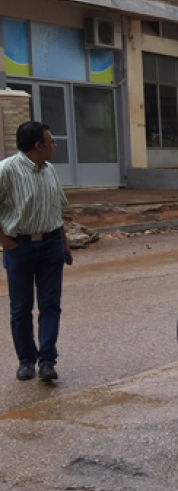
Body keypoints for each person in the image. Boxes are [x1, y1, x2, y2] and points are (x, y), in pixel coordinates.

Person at [0, 121, 72, 381]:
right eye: (52, 141)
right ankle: (26, 360)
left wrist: (63, 244)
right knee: (21, 308)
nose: (55, 145)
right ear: (38, 146)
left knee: (51, 305)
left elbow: (56, 209)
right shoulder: (6, 170)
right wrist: (6, 243)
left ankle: (47, 361)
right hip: (20, 247)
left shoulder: (50, 169)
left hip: (51, 245)